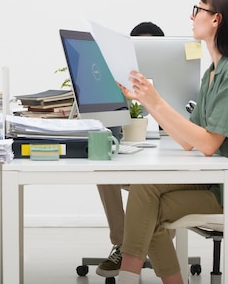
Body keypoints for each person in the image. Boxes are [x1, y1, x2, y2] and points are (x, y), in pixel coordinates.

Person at [114, 0, 228, 284]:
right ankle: (134, 275)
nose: (192, 16)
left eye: (198, 9)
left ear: (216, 19)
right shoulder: (213, 72)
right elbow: (189, 140)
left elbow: (208, 144)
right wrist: (147, 100)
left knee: (147, 207)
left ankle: (128, 275)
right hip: (219, 184)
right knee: (145, 190)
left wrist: (157, 100)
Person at [95, 21, 165, 279]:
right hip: (132, 154)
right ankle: (123, 244)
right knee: (103, 172)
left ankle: (160, 249)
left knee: (167, 180)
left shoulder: (174, 79)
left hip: (165, 157)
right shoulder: (117, 83)